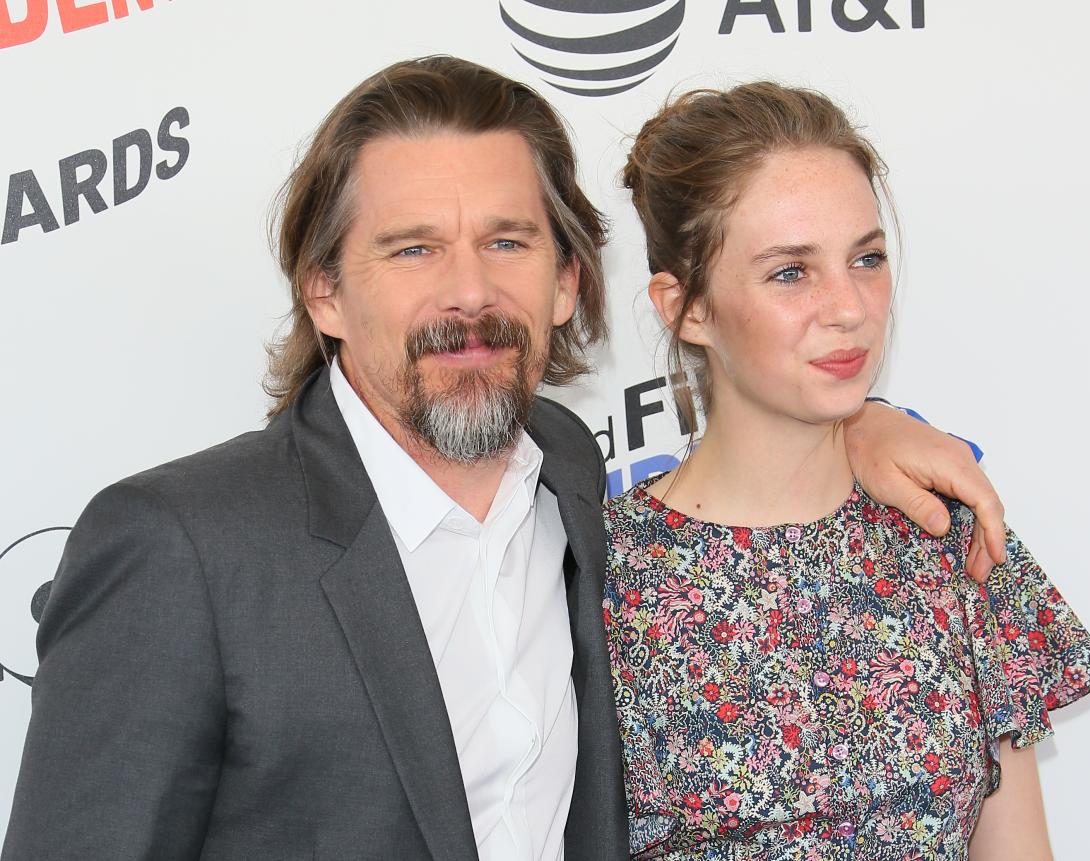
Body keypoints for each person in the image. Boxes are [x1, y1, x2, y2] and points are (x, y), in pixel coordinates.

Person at [3, 59, 1005, 861]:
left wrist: (859, 423)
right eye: (413, 251)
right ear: (324, 295)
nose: (469, 294)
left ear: (567, 282)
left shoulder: (572, 480)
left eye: (509, 243)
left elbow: (757, 459)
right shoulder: (182, 549)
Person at [604, 82, 1090, 859]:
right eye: (790, 272)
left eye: (866, 258)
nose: (849, 307)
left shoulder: (945, 531)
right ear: (686, 308)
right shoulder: (604, 575)